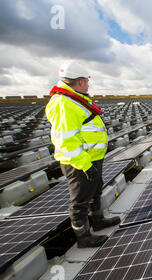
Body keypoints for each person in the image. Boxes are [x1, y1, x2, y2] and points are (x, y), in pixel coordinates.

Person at [45, 60, 120, 248]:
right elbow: (66, 141)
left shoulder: (75, 99)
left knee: (95, 191)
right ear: (80, 82)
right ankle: (83, 237)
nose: (88, 84)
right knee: (79, 200)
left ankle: (98, 220)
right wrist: (85, 165)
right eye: (87, 80)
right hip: (79, 162)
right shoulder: (63, 103)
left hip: (91, 158)